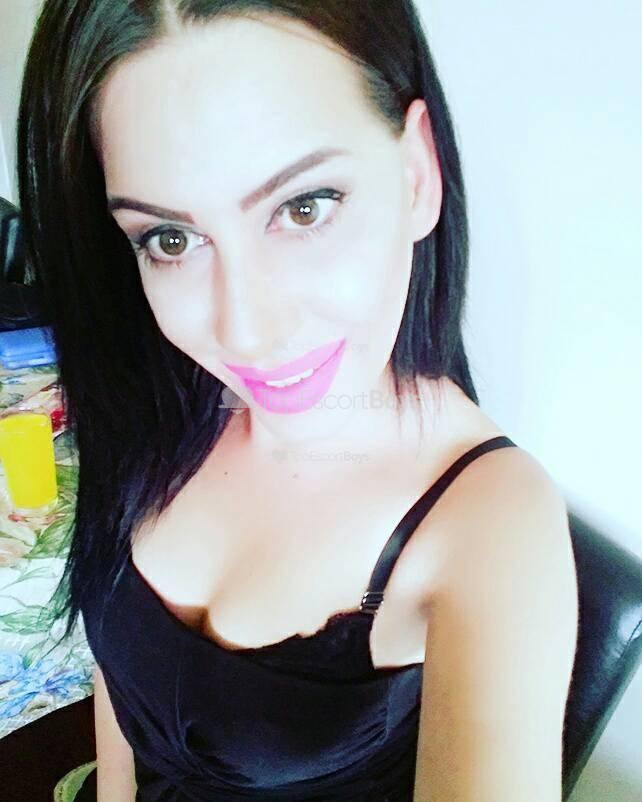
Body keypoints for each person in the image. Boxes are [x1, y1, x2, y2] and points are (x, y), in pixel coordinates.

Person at [17, 1, 578, 800]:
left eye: (304, 207)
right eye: (171, 239)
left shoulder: (490, 526)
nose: (245, 333)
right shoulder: (155, 395)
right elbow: (121, 693)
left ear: (416, 176)